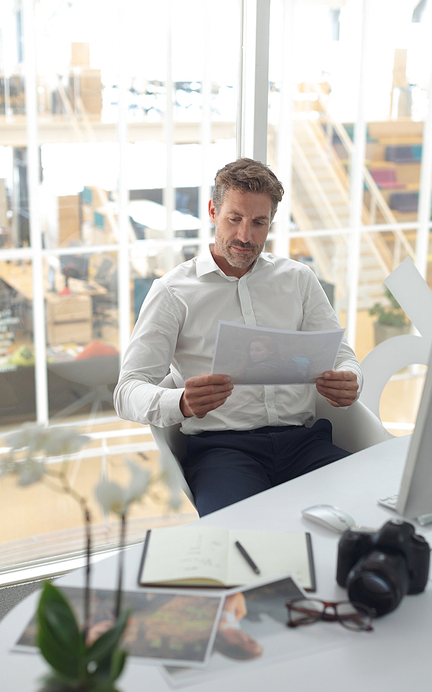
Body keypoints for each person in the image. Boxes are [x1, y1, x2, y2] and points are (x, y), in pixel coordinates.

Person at [114, 157, 363, 516]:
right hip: (224, 453)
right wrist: (181, 402)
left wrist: (351, 379)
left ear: (271, 223)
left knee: (372, 511)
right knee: (236, 540)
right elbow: (127, 391)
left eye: (259, 223)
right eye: (235, 219)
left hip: (305, 444)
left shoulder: (298, 279)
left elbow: (342, 356)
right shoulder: (172, 292)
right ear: (214, 211)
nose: (245, 236)